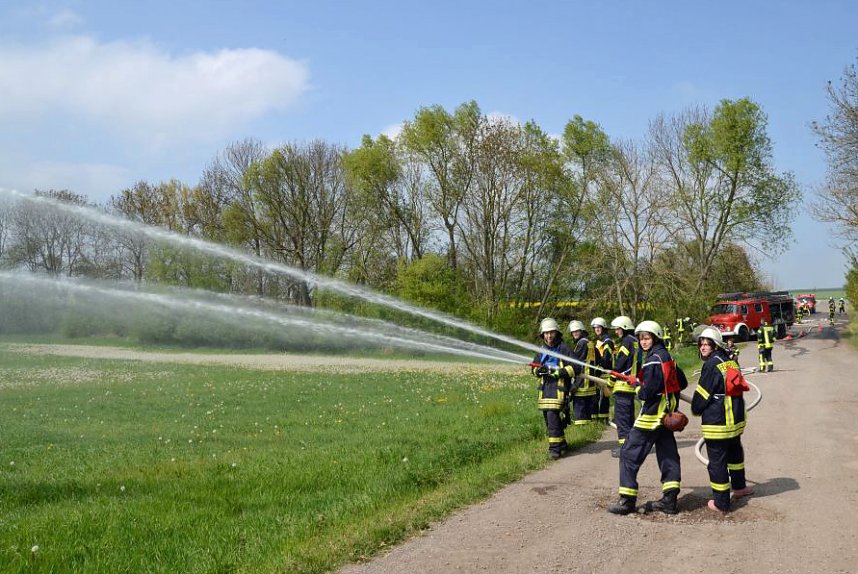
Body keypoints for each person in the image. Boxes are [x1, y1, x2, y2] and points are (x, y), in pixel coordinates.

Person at [608, 320, 683, 516]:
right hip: (667, 415)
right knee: (668, 456)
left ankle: (627, 500)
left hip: (651, 417)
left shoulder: (651, 360)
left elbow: (646, 393)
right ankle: (669, 501)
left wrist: (638, 386)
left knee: (628, 455)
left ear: (655, 337)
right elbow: (681, 382)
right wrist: (642, 380)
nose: (643, 342)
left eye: (647, 338)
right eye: (641, 338)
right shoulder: (667, 357)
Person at [691, 327, 754, 512]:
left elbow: (702, 396)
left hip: (718, 423)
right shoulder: (730, 361)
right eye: (701, 344)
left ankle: (721, 502)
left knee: (717, 462)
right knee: (735, 455)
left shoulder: (711, 365)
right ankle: (740, 487)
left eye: (707, 344)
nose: (703, 347)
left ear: (715, 345)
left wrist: (696, 409)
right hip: (735, 421)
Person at [531, 318, 576, 460]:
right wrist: (538, 372)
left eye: (551, 333)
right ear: (542, 335)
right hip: (544, 391)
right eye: (546, 333)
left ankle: (554, 449)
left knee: (552, 419)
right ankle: (561, 444)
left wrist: (559, 372)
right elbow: (534, 367)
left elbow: (576, 367)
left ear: (556, 333)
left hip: (558, 390)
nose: (549, 336)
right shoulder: (541, 350)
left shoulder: (564, 348)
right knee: (549, 420)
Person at [609, 315, 639, 458]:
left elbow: (620, 363)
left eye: (618, 329)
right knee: (629, 418)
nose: (616, 332)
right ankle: (631, 446)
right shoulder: (635, 342)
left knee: (622, 420)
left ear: (624, 328)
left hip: (622, 385)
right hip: (631, 385)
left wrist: (611, 380)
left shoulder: (626, 342)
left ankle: (625, 449)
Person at [568, 320, 598, 425]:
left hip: (581, 381)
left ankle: (581, 427)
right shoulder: (590, 343)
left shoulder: (581, 344)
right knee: (588, 407)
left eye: (577, 331)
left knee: (580, 407)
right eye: (573, 332)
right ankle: (588, 425)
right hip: (591, 382)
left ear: (582, 331)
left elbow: (575, 362)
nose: (575, 333)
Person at [591, 317, 615, 423]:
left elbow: (606, 358)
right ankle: (600, 419)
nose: (597, 329)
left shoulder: (607, 341)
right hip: (600, 373)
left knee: (602, 398)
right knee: (600, 397)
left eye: (599, 327)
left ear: (604, 328)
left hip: (604, 373)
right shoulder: (600, 340)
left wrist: (599, 369)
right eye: (595, 327)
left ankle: (602, 420)